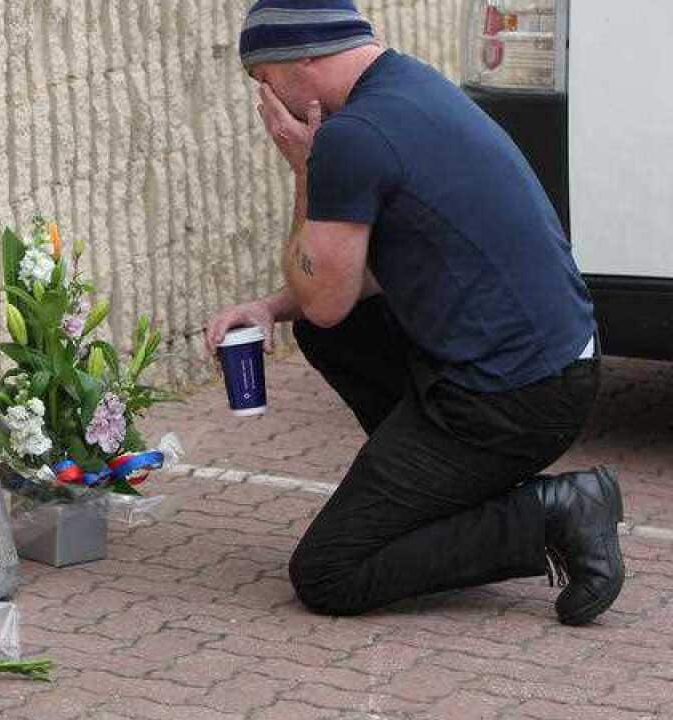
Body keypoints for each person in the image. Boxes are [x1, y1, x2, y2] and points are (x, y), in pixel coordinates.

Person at [204, 0, 624, 624]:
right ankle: (439, 495)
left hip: (511, 401)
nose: (269, 104)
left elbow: (325, 299)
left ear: (304, 60)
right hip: (554, 367)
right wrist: (270, 308)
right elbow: (352, 282)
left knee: (329, 571)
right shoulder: (411, 88)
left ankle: (556, 514)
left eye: (265, 82)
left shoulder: (351, 138)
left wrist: (304, 171)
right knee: (335, 333)